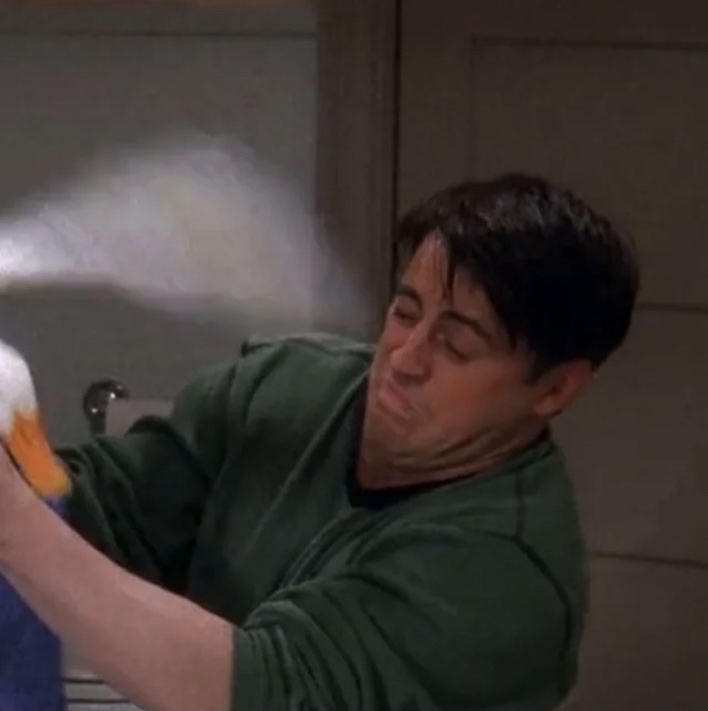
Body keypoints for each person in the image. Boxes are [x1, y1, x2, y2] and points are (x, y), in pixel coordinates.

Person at [0, 174, 639, 711]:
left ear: (554, 388)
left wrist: (15, 525)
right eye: (405, 312)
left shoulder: (505, 580)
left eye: (456, 344)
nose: (404, 359)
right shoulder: (287, 388)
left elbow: (266, 691)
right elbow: (108, 508)